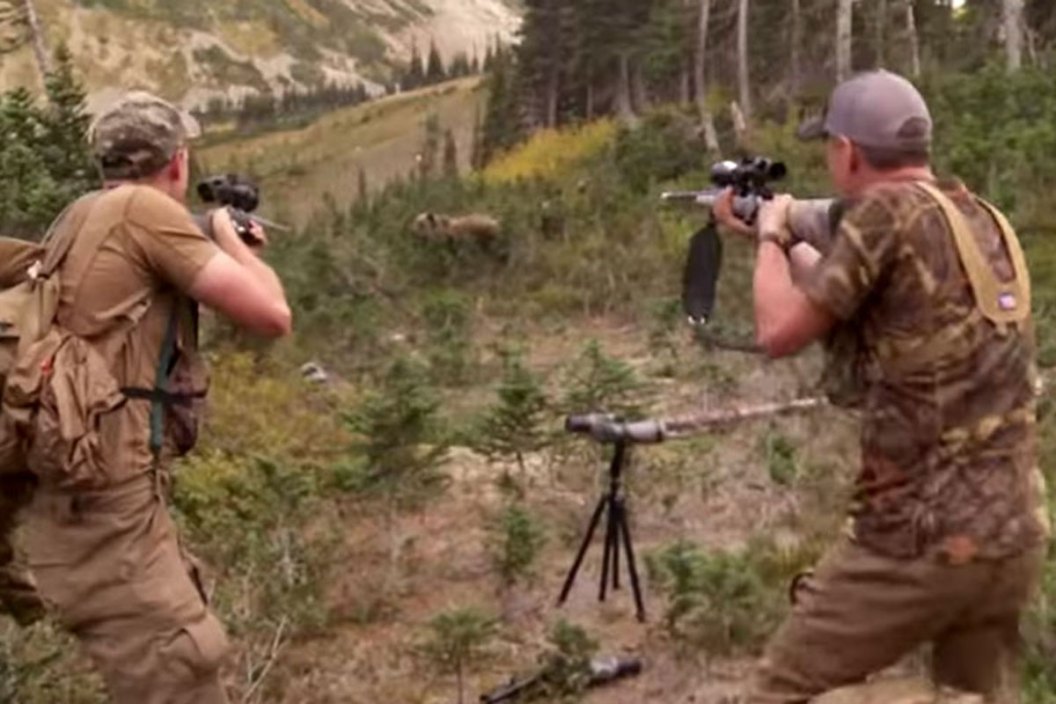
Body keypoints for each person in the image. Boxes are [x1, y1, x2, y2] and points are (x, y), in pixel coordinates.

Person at [714, 70, 1049, 703]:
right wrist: (778, 235)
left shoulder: (882, 215)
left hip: (917, 543)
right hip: (1012, 537)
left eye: (829, 147)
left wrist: (769, 236)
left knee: (774, 691)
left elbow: (779, 331)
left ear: (848, 153)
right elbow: (848, 296)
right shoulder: (980, 216)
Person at [17, 92, 291, 703]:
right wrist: (227, 234)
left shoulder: (83, 213)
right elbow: (272, 315)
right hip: (107, 503)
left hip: (82, 491)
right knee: (178, 669)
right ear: (178, 163)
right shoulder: (145, 211)